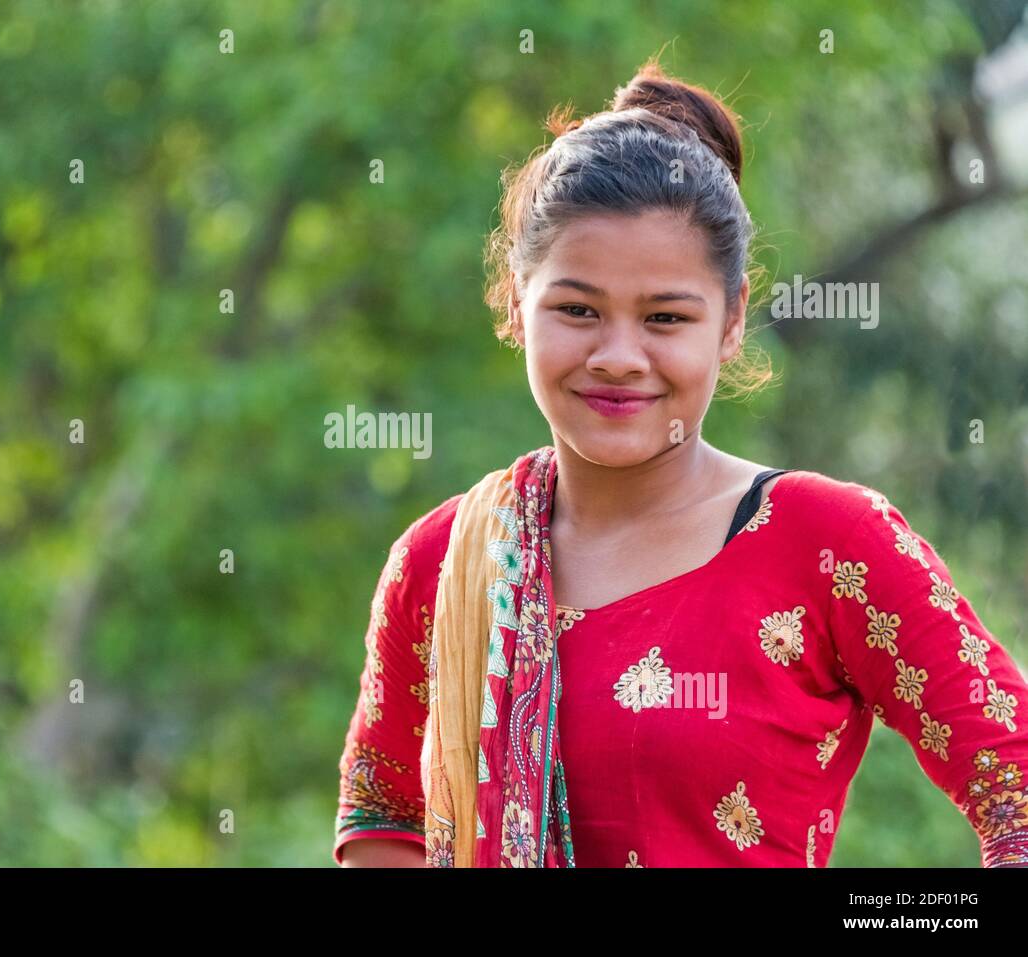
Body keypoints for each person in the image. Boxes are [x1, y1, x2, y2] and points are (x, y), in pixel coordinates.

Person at [332, 59, 1028, 868]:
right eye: (577, 309)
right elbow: (387, 824)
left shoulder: (829, 542)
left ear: (731, 323)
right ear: (516, 303)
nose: (619, 356)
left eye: (665, 316)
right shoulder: (445, 564)